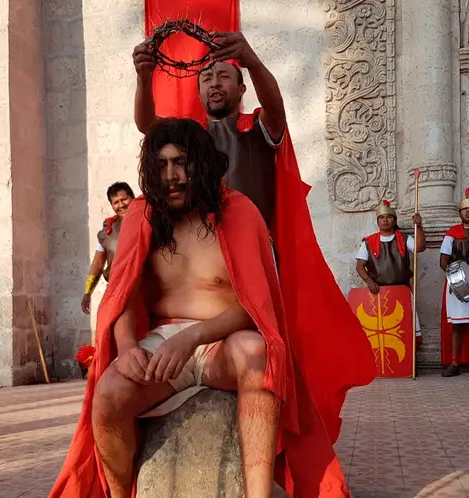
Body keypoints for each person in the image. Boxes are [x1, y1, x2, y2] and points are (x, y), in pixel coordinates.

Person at [8, 119, 358, 498]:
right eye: (161, 165)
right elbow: (125, 293)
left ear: (201, 163)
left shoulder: (240, 213)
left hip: (219, 341)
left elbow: (256, 307)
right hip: (159, 345)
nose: (171, 175)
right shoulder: (143, 216)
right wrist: (130, 346)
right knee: (109, 392)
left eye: (180, 163)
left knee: (258, 354)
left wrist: (191, 338)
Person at [131, 32, 375, 444]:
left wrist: (252, 59)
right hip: (208, 262)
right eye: (206, 77)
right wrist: (144, 76)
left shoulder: (259, 128)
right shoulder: (190, 140)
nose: (214, 83)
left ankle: (281, 445)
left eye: (224, 76)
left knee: (276, 360)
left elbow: (277, 108)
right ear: (197, 88)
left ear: (241, 87)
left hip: (258, 262)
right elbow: (147, 126)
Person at [355, 200, 425, 345]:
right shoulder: (368, 242)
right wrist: (369, 280)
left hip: (402, 291)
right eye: (382, 217)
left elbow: (419, 247)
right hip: (378, 293)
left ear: (394, 220)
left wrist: (419, 227)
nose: (385, 220)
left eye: (389, 217)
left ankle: (409, 365)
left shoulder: (404, 239)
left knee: (405, 330)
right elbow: (360, 266)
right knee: (381, 333)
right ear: (378, 221)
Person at [82, 182, 135, 315]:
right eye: (116, 202)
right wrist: (87, 292)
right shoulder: (108, 231)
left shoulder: (147, 220)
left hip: (143, 290)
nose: (121, 205)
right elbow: (98, 263)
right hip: (117, 290)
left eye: (124, 199)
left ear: (133, 198)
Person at [439, 196, 469, 376]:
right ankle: (454, 362)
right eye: (465, 209)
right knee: (457, 326)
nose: (468, 212)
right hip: (458, 283)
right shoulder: (452, 233)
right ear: (459, 213)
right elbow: (443, 261)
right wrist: (457, 278)